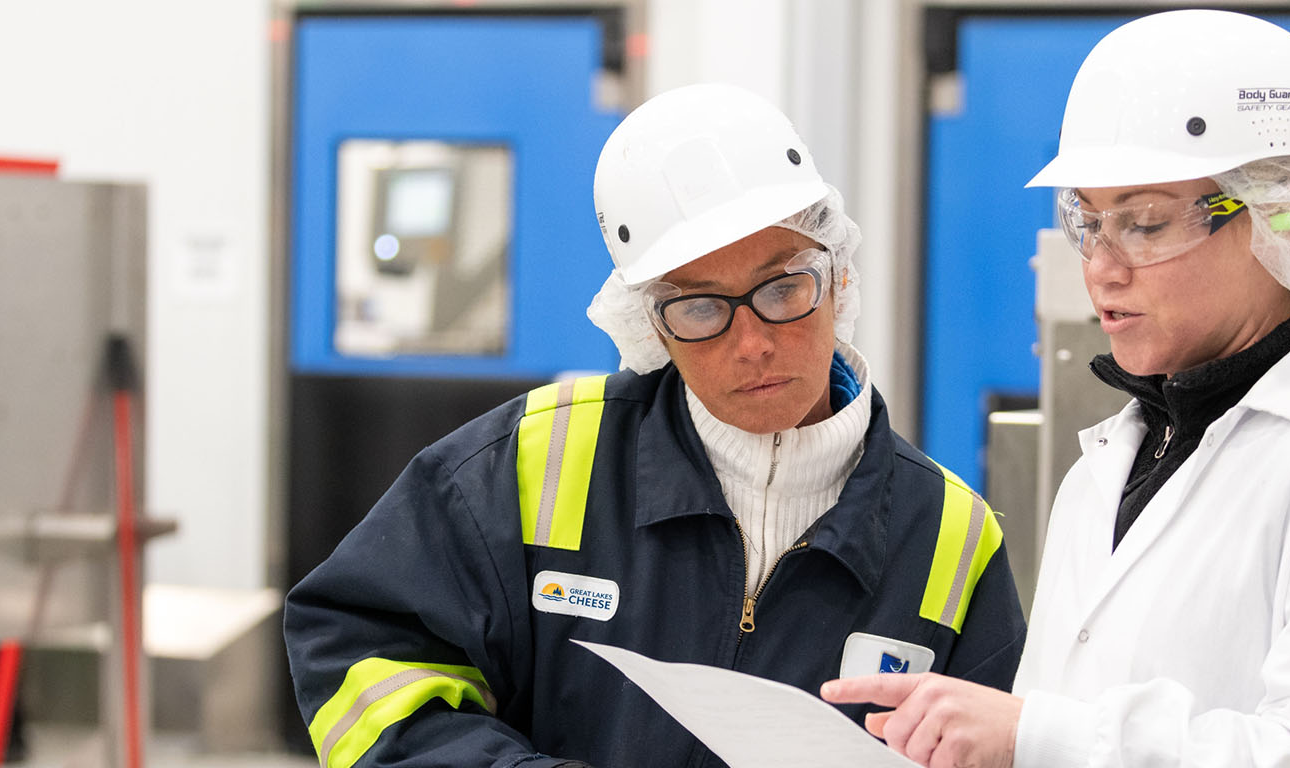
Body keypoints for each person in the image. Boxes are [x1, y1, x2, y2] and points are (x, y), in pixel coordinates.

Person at [285, 83, 1026, 768]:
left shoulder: (947, 538)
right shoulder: (534, 460)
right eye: (700, 307)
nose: (754, 341)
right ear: (651, 327)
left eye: (782, 286)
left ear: (837, 276)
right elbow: (360, 647)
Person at [821, 10, 1290, 767]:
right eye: (1087, 221)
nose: (1101, 266)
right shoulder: (1106, 467)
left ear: (1283, 216)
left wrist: (1033, 735)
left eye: (1148, 224)